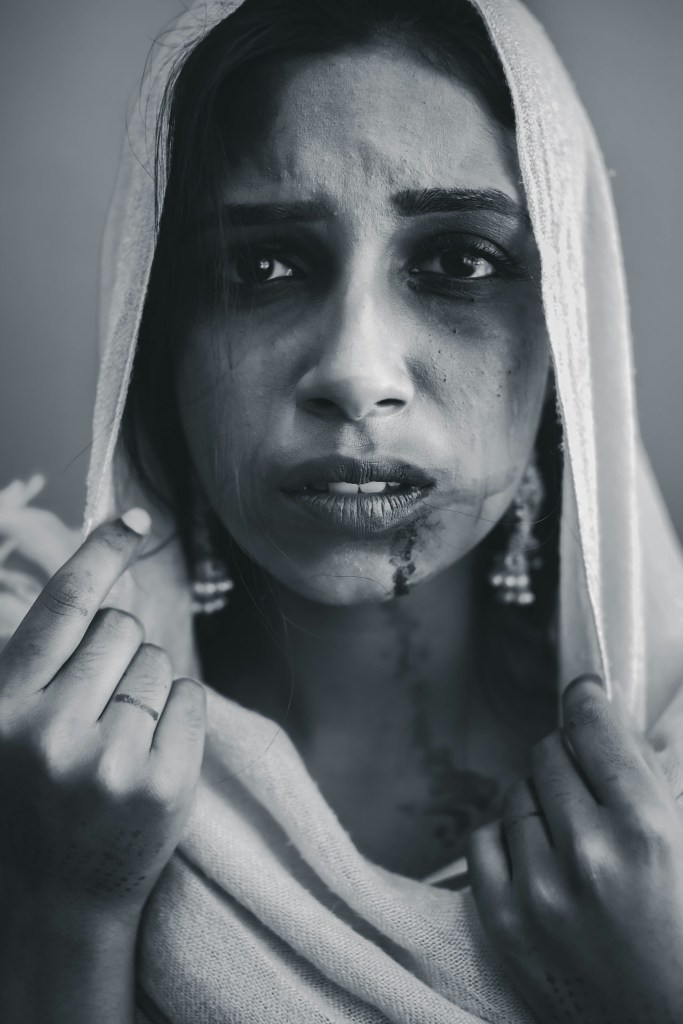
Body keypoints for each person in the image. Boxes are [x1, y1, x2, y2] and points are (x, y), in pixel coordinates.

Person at [1, 0, 683, 1021]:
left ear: (565, 339)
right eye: (261, 266)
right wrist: (66, 911)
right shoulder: (28, 740)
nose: (356, 375)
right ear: (159, 338)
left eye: (458, 262)